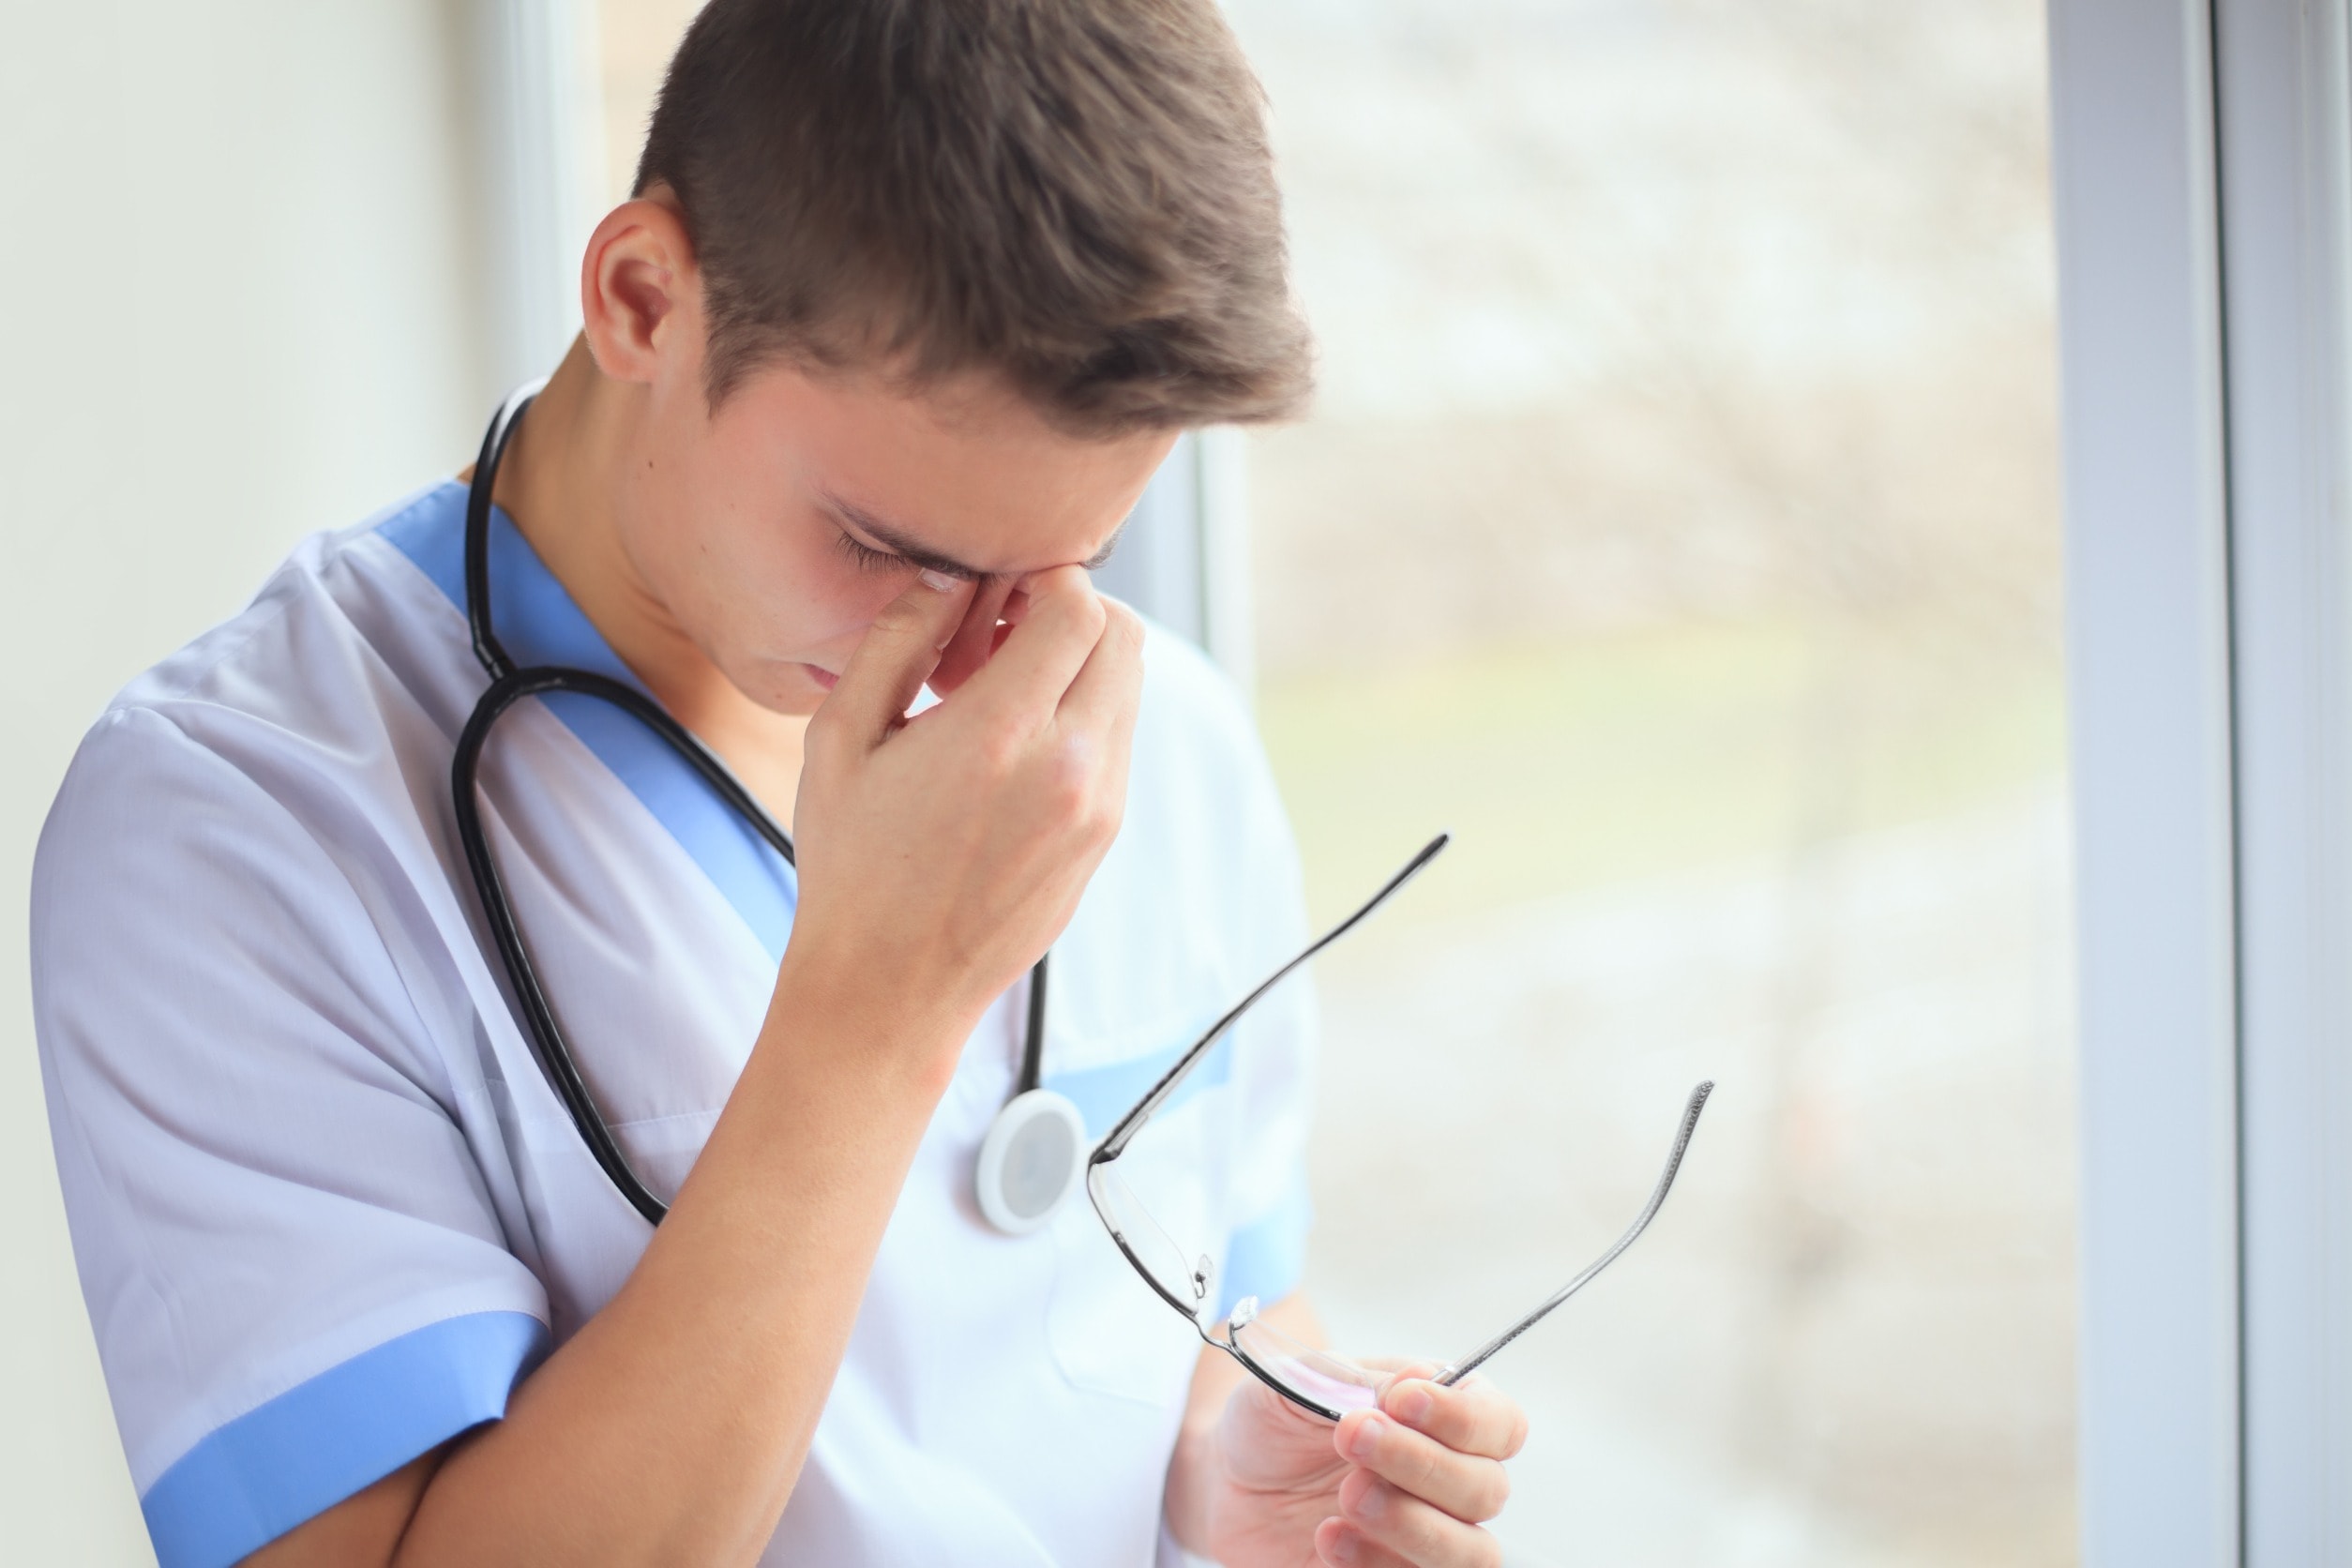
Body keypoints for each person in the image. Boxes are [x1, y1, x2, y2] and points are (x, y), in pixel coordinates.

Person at [31, 2, 1528, 1564]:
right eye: (885, 547)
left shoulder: (1157, 743)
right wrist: (876, 1009)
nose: (973, 652)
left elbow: (1198, 1311)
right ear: (641, 298)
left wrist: (1238, 1475)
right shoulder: (229, 836)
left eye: (1065, 563)